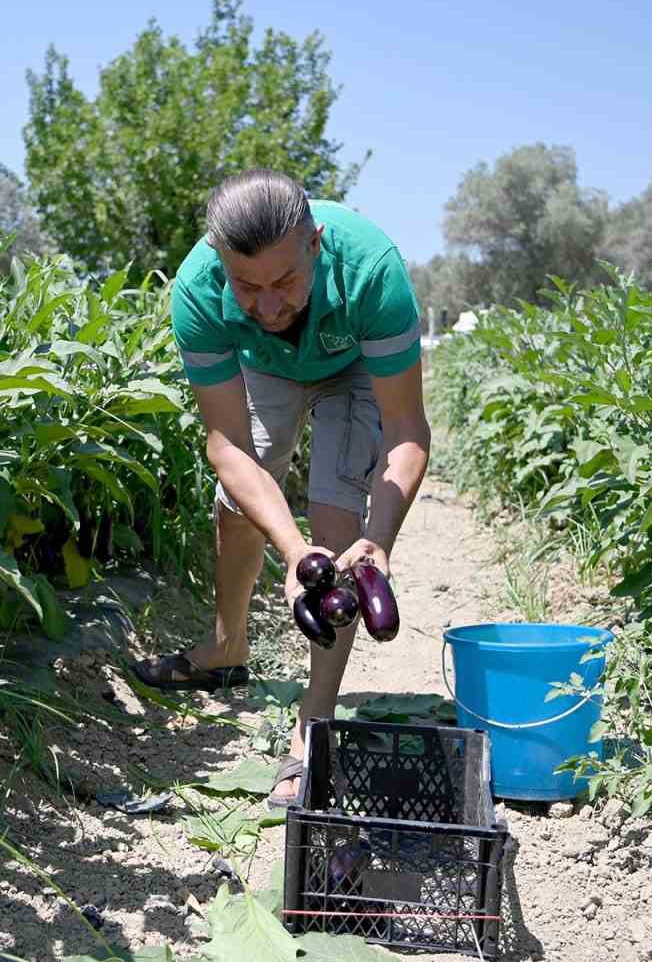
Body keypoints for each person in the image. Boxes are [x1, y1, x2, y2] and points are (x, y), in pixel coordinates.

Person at [132, 168, 431, 807]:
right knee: (237, 504)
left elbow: (406, 428)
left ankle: (311, 727)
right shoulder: (196, 290)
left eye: (286, 281)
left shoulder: (372, 271)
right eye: (248, 286)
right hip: (264, 368)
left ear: (316, 243)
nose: (268, 306)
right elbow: (229, 447)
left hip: (355, 369)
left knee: (338, 527)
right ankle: (226, 646)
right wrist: (293, 554)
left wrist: (377, 540)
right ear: (220, 262)